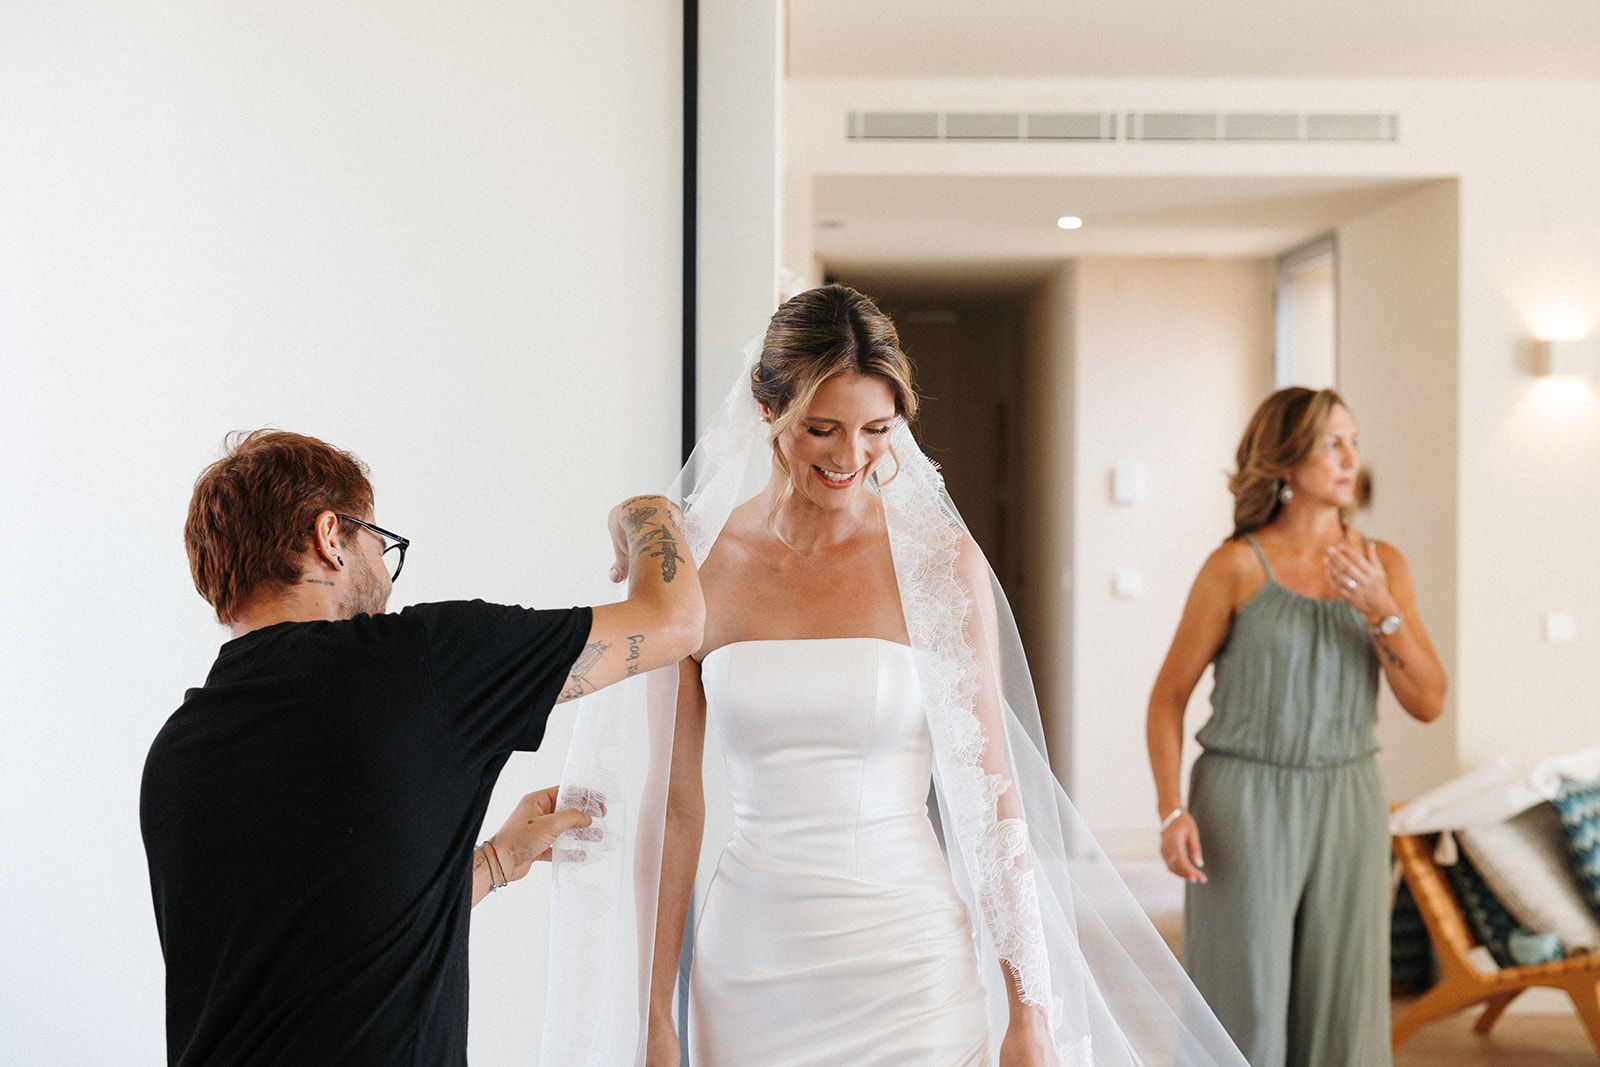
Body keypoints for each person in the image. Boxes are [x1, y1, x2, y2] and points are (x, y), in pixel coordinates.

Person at [607, 285, 1245, 1067]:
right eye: (822, 429)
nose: (850, 458)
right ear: (766, 407)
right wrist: (651, 1013)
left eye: (877, 430)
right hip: (753, 964)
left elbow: (992, 798)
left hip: (911, 959)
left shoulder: (940, 565)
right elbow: (674, 808)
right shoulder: (699, 564)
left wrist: (1030, 1010)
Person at [140, 429, 703, 1065]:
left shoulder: (178, 752)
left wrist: (497, 860)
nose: (385, 572)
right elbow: (676, 622)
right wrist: (645, 512)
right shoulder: (417, 662)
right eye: (380, 543)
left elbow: (322, 940)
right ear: (331, 537)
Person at [1147, 388, 1447, 1066]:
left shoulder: (1385, 565)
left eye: (1353, 440)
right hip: (1241, 799)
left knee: (1344, 1002)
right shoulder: (1233, 566)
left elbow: (1428, 700)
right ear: (1285, 462)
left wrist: (1380, 609)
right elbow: (1167, 698)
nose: (1350, 458)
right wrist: (1171, 810)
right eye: (1330, 443)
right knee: (1242, 999)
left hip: (1349, 797)